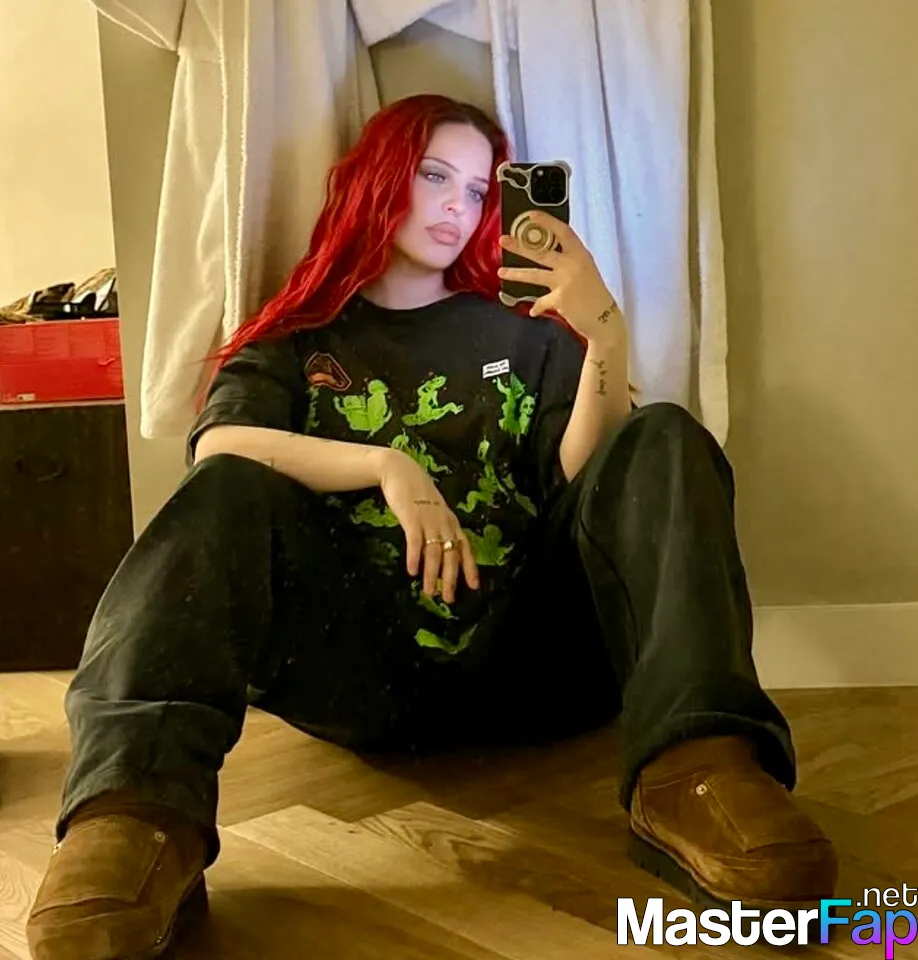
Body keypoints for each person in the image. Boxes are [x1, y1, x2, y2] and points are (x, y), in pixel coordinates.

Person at [26, 94, 836, 959]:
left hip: (539, 662)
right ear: (379, 177)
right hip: (362, 667)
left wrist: (603, 335)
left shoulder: (526, 334)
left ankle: (698, 768)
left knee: (663, 432)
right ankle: (135, 814)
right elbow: (220, 445)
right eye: (435, 176)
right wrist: (387, 466)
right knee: (226, 485)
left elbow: (585, 476)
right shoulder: (300, 341)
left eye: (479, 191)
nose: (459, 205)